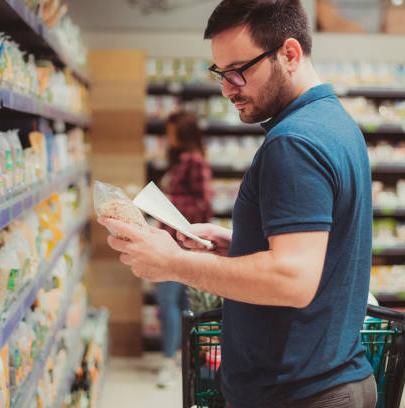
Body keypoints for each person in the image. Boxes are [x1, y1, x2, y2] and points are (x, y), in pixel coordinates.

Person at [97, 0, 376, 407]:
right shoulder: (335, 123)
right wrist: (240, 244)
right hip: (325, 382)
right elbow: (321, 251)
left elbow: (293, 280)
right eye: (220, 73)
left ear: (290, 54)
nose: (227, 88)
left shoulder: (293, 142)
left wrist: (173, 263)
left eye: (238, 72)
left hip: (301, 392)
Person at [154, 111, 213, 388]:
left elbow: (202, 204)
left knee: (170, 303)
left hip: (181, 244)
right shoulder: (179, 160)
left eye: (171, 130)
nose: (168, 136)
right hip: (173, 241)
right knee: (177, 305)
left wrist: (167, 201)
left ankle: (174, 361)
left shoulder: (195, 161)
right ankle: (179, 360)